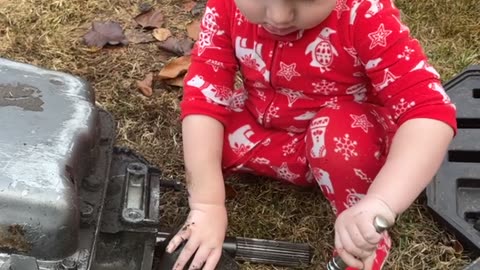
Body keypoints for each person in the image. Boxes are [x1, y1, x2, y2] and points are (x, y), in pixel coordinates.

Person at [164, 0, 457, 269]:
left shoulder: (365, 14)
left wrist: (381, 202)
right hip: (268, 125)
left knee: (342, 136)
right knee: (206, 132)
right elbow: (206, 94)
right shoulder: (226, 6)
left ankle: (361, 238)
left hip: (344, 138)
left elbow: (429, 112)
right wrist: (207, 203)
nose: (279, 16)